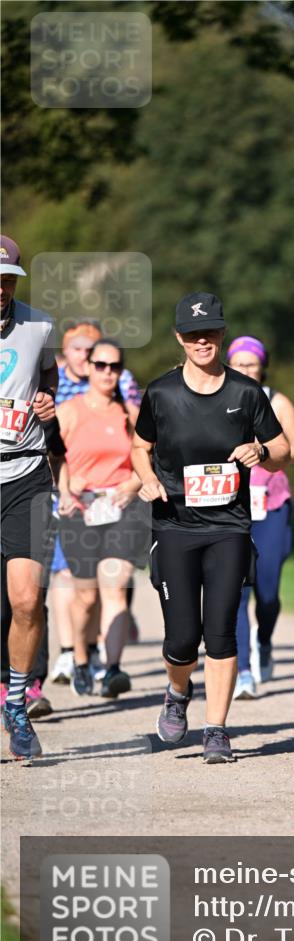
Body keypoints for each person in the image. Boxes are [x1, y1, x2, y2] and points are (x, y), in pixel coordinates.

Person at [132, 292, 290, 763]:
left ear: (222, 335)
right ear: (180, 339)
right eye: (193, 335)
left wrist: (260, 452)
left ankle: (216, 729)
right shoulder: (160, 393)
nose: (203, 341)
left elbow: (282, 450)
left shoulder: (246, 393)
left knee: (221, 631)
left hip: (229, 526)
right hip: (175, 525)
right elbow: (140, 447)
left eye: (211, 332)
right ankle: (177, 692)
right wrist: (146, 481)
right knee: (181, 639)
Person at [50, 319, 142, 687]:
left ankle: (114, 669)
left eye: (114, 366)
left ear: (121, 371)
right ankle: (82, 660)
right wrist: (67, 491)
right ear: (88, 367)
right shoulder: (69, 410)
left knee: (116, 585)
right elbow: (54, 458)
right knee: (85, 596)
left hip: (120, 508)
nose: (107, 372)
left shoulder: (130, 416)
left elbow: (148, 459)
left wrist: (133, 484)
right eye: (100, 364)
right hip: (80, 509)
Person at [226, 335, 294, 699]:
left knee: (268, 592)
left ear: (263, 366)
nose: (245, 369)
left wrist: (263, 453)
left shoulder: (276, 400)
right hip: (231, 505)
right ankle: (244, 671)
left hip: (272, 504)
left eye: (251, 363)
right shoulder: (220, 399)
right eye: (239, 363)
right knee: (239, 591)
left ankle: (264, 640)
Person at [0, 235, 58, 761]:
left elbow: (49, 381)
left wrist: (47, 401)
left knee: (26, 599)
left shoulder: (39, 326)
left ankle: (16, 705)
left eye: (6, 280)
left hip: (25, 477)